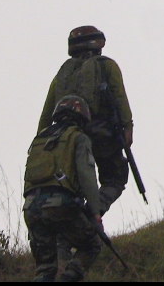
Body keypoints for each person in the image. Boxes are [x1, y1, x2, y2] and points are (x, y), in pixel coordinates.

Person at [37, 26, 133, 214]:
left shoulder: (63, 74)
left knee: (72, 186)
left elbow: (47, 112)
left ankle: (76, 222)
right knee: (115, 179)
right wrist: (128, 127)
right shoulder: (107, 65)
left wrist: (42, 141)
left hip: (66, 140)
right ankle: (93, 213)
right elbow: (120, 97)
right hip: (102, 135)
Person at [22, 96, 103, 282]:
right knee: (91, 245)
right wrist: (96, 213)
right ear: (82, 117)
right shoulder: (78, 137)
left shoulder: (40, 139)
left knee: (44, 269)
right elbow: (87, 177)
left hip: (31, 207)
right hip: (61, 205)